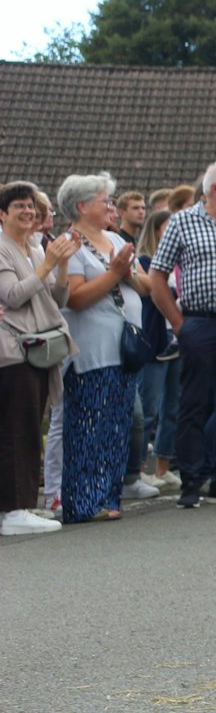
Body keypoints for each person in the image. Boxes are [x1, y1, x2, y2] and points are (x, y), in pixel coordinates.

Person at [149, 159, 216, 507]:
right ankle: (191, 480)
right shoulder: (182, 222)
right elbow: (157, 275)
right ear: (214, 190)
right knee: (193, 402)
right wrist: (178, 323)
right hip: (199, 321)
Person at [55, 173, 150, 524]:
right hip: (91, 351)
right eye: (104, 201)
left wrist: (127, 274)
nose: (111, 207)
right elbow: (75, 298)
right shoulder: (70, 244)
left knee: (117, 425)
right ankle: (82, 502)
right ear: (81, 206)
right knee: (89, 426)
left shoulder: (114, 238)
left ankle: (108, 497)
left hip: (123, 347)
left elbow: (145, 287)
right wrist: (114, 273)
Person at [1, 181, 78, 535]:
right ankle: (14, 510)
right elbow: (13, 295)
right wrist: (47, 264)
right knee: (18, 430)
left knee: (30, 426)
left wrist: (61, 265)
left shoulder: (33, 248)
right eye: (19, 206)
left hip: (38, 350)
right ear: (2, 214)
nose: (28, 212)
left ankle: (17, 506)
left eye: (31, 206)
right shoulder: (3, 249)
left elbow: (58, 299)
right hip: (13, 351)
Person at [132, 208, 182, 494]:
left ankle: (163, 466)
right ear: (156, 231)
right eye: (167, 227)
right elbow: (153, 293)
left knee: (173, 407)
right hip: (155, 340)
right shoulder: (145, 261)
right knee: (148, 408)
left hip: (176, 339)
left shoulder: (179, 264)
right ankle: (138, 470)